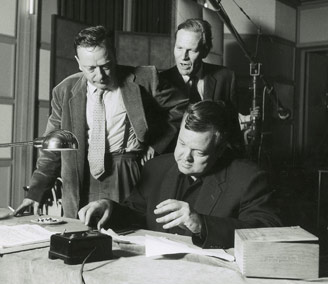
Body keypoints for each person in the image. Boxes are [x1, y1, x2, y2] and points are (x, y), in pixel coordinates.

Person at [14, 25, 180, 218]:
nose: (100, 76)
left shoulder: (145, 78)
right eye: (91, 69)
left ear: (114, 55)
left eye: (106, 65)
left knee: (126, 231)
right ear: (78, 63)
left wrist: (157, 144)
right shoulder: (64, 91)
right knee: (80, 236)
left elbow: (180, 107)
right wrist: (36, 191)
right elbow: (53, 146)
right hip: (80, 174)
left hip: (125, 170)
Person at [78, 100, 281, 249]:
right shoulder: (155, 168)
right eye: (182, 143)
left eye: (198, 152)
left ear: (220, 150)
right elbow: (137, 215)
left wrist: (202, 224)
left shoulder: (248, 178)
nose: (185, 157)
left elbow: (267, 230)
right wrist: (109, 209)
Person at [159, 18, 245, 154]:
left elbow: (233, 130)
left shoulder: (226, 77)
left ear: (205, 51)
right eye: (179, 48)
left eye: (191, 50)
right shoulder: (161, 81)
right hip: (174, 160)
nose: (183, 57)